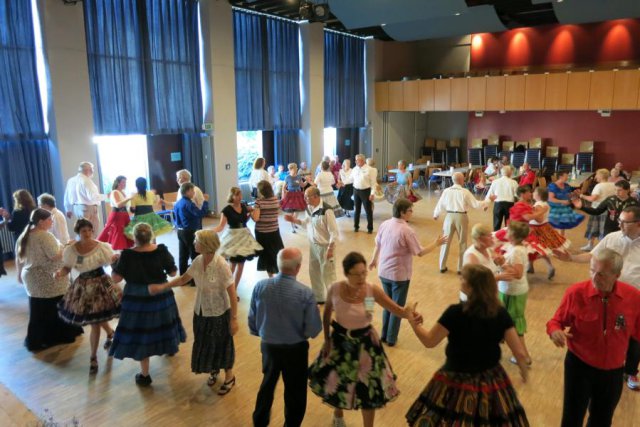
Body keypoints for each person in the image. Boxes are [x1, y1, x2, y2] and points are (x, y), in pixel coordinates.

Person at [404, 264, 529, 427]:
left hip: (455, 379)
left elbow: (429, 341)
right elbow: (519, 352)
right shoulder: (500, 313)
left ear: (470, 287)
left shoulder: (455, 312)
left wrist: (412, 321)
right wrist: (524, 372)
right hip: (491, 380)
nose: (460, 280)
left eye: (463, 278)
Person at [309, 252, 418, 427]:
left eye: (364, 273)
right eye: (356, 274)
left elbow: (397, 310)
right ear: (347, 273)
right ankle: (338, 414)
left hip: (366, 345)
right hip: (341, 343)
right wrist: (327, 340)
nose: (361, 277)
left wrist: (410, 314)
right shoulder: (335, 289)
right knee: (338, 382)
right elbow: (327, 314)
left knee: (368, 389)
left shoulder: (371, 290)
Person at [547, 249, 640, 426]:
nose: (594, 277)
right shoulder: (576, 293)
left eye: (601, 274)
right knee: (572, 417)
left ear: (617, 275)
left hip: (612, 371)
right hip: (579, 367)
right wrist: (554, 331)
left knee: (602, 420)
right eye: (592, 270)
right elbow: (556, 321)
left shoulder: (633, 298)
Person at [554, 206, 640, 391]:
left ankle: (631, 371)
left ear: (638, 224)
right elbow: (593, 255)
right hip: (606, 294)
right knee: (606, 329)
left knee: (634, 337)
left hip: (632, 299)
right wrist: (570, 258)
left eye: (625, 222)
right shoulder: (612, 238)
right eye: (619, 221)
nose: (619, 225)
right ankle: (600, 362)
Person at [149, 230, 238, 395]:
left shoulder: (221, 265)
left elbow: (232, 294)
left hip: (219, 313)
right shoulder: (198, 260)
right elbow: (184, 278)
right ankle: (214, 369)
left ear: (205, 244)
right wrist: (163, 287)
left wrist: (233, 319)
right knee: (206, 342)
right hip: (201, 311)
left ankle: (229, 377)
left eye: (196, 241)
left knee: (222, 344)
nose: (194, 243)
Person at [249, 248, 322, 427]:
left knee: (267, 384)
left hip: (269, 347)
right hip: (296, 350)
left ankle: (260, 421)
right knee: (295, 391)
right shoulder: (305, 293)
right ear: (298, 267)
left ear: (278, 264)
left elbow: (252, 320)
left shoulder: (260, 287)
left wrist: (263, 332)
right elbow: (313, 329)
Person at [109, 223, 186, 386]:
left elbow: (116, 278)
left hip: (136, 299)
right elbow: (173, 273)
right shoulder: (161, 250)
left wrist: (113, 265)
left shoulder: (127, 255)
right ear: (151, 236)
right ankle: (170, 348)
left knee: (141, 334)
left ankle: (145, 375)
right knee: (164, 324)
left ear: (134, 237)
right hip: (161, 295)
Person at [368, 198, 446, 346]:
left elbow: (377, 245)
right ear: (402, 212)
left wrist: (373, 260)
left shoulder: (385, 224)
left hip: (384, 272)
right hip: (399, 276)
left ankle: (384, 335)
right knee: (398, 308)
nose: (412, 212)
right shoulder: (407, 231)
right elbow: (420, 252)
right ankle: (391, 339)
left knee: (387, 305)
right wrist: (436, 244)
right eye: (410, 210)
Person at [56, 219, 121, 374]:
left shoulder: (102, 247)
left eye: (89, 230)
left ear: (92, 231)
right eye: (83, 231)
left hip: (101, 284)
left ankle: (93, 357)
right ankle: (110, 334)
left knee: (96, 320)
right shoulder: (72, 250)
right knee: (96, 318)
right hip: (83, 287)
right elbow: (67, 267)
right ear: (78, 232)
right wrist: (60, 273)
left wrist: (116, 261)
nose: (86, 233)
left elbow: (112, 262)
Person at [15, 209, 83, 351]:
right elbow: (55, 256)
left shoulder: (24, 235)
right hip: (48, 278)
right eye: (49, 220)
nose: (52, 222)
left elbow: (19, 258)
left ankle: (39, 339)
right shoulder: (44, 236)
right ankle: (59, 336)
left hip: (31, 278)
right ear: (41, 222)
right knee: (56, 307)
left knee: (39, 309)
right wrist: (68, 246)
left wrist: (18, 274)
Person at [284, 187, 338, 304]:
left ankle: (334, 302)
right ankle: (319, 298)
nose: (304, 199)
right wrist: (294, 220)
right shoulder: (309, 208)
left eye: (307, 196)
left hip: (325, 247)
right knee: (314, 272)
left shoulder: (327, 210)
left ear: (316, 196)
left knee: (328, 275)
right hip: (313, 246)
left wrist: (330, 249)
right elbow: (306, 223)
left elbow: (334, 233)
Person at [433, 172, 487, 274]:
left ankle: (442, 266)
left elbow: (440, 204)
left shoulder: (446, 191)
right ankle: (461, 268)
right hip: (461, 217)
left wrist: (436, 214)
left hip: (449, 217)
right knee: (462, 243)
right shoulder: (465, 192)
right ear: (462, 180)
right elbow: (475, 204)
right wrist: (486, 203)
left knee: (445, 241)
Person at [212, 187, 263, 295]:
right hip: (233, 237)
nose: (240, 197)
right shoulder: (226, 210)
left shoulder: (244, 206)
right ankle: (227, 289)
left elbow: (253, 215)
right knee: (232, 265)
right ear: (232, 196)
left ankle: (234, 290)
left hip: (244, 237)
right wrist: (209, 231)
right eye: (237, 195)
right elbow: (220, 226)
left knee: (241, 265)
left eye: (240, 195)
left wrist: (254, 209)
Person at [498, 221, 533, 366]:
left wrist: (502, 264)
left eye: (508, 230)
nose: (506, 232)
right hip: (509, 290)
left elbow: (518, 274)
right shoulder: (516, 247)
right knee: (507, 322)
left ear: (513, 235)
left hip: (514, 292)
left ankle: (524, 356)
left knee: (513, 324)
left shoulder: (517, 251)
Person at [462, 223, 515, 301]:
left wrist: (502, 263)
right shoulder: (471, 256)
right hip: (475, 299)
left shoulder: (488, 249)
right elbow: (475, 282)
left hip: (488, 295)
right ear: (479, 239)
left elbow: (496, 265)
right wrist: (498, 277)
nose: (492, 237)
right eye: (489, 236)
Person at [573, 179, 639, 240]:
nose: (616, 192)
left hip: (626, 230)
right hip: (609, 229)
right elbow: (597, 211)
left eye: (619, 190)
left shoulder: (634, 203)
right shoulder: (610, 200)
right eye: (615, 190)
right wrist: (582, 207)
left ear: (627, 190)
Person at [173, 182, 209, 280]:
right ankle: (194, 279)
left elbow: (175, 219)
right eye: (192, 190)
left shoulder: (178, 203)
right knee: (194, 255)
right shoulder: (189, 203)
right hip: (190, 232)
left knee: (183, 255)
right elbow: (201, 213)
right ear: (188, 191)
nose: (194, 192)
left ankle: (183, 278)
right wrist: (205, 202)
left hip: (180, 231)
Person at [577, 169, 616, 251]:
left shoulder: (599, 186)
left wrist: (582, 196)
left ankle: (591, 245)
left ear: (601, 176)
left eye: (597, 175)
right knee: (604, 230)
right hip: (610, 211)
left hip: (597, 210)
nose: (595, 177)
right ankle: (604, 247)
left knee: (593, 228)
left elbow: (592, 198)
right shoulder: (613, 184)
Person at [252, 180, 284, 278]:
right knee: (275, 253)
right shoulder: (275, 200)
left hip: (262, 232)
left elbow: (256, 218)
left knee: (266, 255)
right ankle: (279, 274)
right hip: (274, 231)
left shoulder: (259, 202)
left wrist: (251, 213)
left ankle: (271, 277)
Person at [63, 161, 106, 235]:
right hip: (88, 208)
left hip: (77, 208)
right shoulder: (86, 180)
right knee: (91, 232)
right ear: (87, 170)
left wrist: (68, 209)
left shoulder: (71, 180)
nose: (92, 171)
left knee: (81, 231)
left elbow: (66, 196)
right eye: (92, 169)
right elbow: (93, 197)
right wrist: (107, 196)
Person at [97, 176, 133, 250]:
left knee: (125, 232)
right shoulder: (115, 192)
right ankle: (119, 250)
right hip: (118, 215)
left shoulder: (122, 192)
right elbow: (118, 205)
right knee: (119, 232)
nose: (125, 184)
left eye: (125, 182)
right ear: (118, 183)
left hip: (124, 215)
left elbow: (125, 205)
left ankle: (123, 250)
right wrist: (129, 198)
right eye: (123, 182)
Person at [486, 165, 518, 231]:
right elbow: (517, 196)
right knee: (509, 226)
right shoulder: (514, 182)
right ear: (510, 173)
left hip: (498, 205)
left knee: (496, 226)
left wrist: (486, 205)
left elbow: (489, 194)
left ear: (501, 173)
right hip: (509, 205)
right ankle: (508, 237)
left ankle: (495, 236)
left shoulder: (495, 182)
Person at [351, 154, 375, 234]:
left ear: (362, 160)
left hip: (366, 191)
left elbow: (373, 183)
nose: (355, 161)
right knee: (357, 210)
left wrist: (372, 193)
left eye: (357, 160)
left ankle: (370, 228)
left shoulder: (370, 169)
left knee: (368, 210)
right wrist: (343, 183)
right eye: (355, 160)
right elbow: (350, 179)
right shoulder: (354, 169)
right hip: (356, 191)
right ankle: (356, 226)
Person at [280, 163, 307, 230]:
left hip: (298, 195)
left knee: (297, 211)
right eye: (295, 168)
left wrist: (307, 181)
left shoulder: (298, 176)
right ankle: (293, 226)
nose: (296, 169)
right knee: (292, 211)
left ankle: (294, 221)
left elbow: (302, 185)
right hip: (291, 195)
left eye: (296, 168)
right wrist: (285, 193)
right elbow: (283, 187)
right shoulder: (287, 177)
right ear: (290, 169)